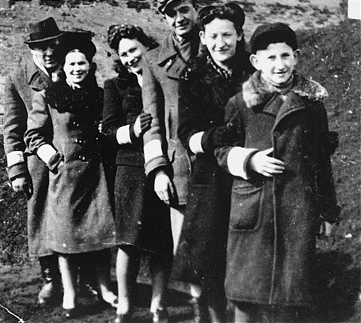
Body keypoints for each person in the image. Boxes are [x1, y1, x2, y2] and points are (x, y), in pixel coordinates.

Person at [214, 23, 340, 322]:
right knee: (247, 295)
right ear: (256, 62)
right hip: (254, 210)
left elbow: (322, 162)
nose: (279, 65)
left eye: (285, 56)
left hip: (297, 210)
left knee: (288, 297)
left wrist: (328, 211)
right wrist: (250, 161)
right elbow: (220, 150)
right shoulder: (240, 103)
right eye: (270, 58)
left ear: (296, 57)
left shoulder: (312, 107)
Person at [25, 31, 117, 319]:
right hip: (64, 177)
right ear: (63, 68)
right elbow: (33, 135)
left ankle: (104, 288)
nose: (77, 69)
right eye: (72, 64)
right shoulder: (49, 97)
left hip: (96, 176)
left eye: (82, 64)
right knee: (65, 239)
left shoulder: (100, 96)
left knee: (100, 234)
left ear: (90, 66)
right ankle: (70, 294)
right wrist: (50, 156)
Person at [175, 3, 255, 322]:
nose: (221, 42)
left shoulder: (254, 71)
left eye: (228, 35)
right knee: (209, 256)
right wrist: (212, 138)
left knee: (247, 254)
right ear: (203, 37)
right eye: (213, 36)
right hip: (209, 177)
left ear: (239, 35)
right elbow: (185, 132)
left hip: (248, 174)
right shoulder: (192, 76)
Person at [102, 24, 173, 323]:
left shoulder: (164, 77)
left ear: (146, 47)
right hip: (130, 168)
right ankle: (125, 306)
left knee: (161, 242)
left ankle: (158, 304)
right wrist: (131, 131)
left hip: (163, 166)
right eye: (124, 54)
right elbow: (107, 129)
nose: (130, 57)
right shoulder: (116, 86)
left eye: (134, 50)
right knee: (128, 241)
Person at [141, 0, 202, 321]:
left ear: (196, 11)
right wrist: (158, 170)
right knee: (188, 250)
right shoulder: (153, 60)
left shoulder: (217, 45)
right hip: (179, 169)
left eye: (184, 10)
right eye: (170, 13)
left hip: (219, 162)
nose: (178, 19)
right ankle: (199, 311)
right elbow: (151, 120)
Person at [3, 17, 65, 305]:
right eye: (41, 48)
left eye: (52, 44)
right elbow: (13, 128)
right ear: (32, 49)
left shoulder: (72, 68)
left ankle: (83, 277)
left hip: (71, 153)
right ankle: (51, 278)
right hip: (37, 157)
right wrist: (17, 170)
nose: (49, 52)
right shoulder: (18, 78)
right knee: (41, 213)